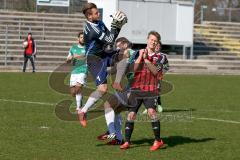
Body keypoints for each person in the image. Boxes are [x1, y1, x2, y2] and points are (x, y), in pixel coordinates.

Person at [78, 2, 127, 127]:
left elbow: (111, 39)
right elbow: (110, 39)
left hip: (104, 53)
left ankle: (117, 82)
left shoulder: (98, 23)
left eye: (97, 11)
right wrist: (116, 25)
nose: (98, 14)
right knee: (102, 89)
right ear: (89, 16)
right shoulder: (91, 29)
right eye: (96, 13)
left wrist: (117, 27)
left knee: (124, 55)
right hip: (94, 60)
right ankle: (83, 111)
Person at [120, 31, 165, 151]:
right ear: (147, 40)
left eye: (155, 41)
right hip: (136, 89)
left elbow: (155, 71)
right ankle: (127, 142)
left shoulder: (160, 56)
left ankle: (158, 141)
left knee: (151, 113)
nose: (153, 42)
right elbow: (133, 70)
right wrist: (140, 57)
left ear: (157, 43)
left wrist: (146, 60)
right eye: (151, 39)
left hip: (151, 89)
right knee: (131, 115)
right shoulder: (136, 53)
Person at [142, 41, 169, 114]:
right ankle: (148, 108)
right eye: (156, 45)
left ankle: (158, 105)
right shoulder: (148, 54)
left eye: (158, 46)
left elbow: (163, 66)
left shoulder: (162, 56)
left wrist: (162, 73)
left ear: (160, 47)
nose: (157, 47)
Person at [66, 32, 87, 111]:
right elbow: (67, 60)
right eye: (81, 37)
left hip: (83, 70)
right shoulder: (73, 48)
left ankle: (79, 107)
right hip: (74, 71)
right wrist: (69, 59)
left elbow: (86, 56)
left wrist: (77, 56)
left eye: (84, 37)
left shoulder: (87, 48)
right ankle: (81, 102)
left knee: (78, 88)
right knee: (73, 93)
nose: (83, 39)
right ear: (78, 38)